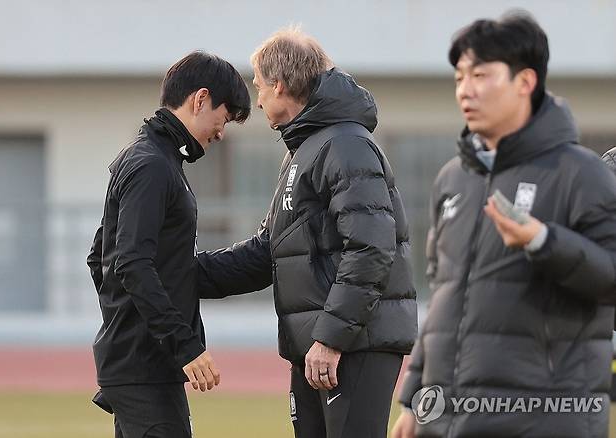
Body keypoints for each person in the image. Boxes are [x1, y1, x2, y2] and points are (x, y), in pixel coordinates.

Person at [391, 11, 616, 438]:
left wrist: (545, 242)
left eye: (481, 75)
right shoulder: (453, 178)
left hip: (547, 421)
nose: (465, 91)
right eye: (459, 77)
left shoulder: (583, 175)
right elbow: (444, 300)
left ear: (525, 83)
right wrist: (416, 400)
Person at [196, 28, 418, 438]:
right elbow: (268, 253)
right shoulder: (303, 150)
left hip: (350, 344)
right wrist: (182, 272)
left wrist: (331, 338)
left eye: (260, 87)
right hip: (318, 345)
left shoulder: (346, 145)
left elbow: (371, 248)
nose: (258, 99)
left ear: (280, 85)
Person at [86, 51, 250, 438]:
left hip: (139, 367)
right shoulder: (152, 166)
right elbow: (129, 264)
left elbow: (101, 258)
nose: (221, 132)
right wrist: (184, 345)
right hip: (145, 370)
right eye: (223, 118)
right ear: (200, 99)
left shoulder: (150, 158)